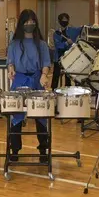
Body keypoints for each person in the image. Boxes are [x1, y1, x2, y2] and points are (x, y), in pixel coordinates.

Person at [7, 9, 51, 161]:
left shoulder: (42, 44)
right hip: (20, 80)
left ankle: (43, 150)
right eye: (26, 21)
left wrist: (44, 75)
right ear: (21, 24)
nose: (29, 24)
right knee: (16, 116)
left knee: (41, 116)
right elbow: (10, 62)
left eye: (32, 21)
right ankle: (14, 150)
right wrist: (11, 69)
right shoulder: (14, 44)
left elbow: (46, 63)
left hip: (37, 79)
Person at [51, 13, 81, 89]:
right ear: (59, 21)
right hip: (58, 58)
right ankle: (53, 91)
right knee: (56, 76)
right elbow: (58, 45)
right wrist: (66, 43)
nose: (64, 21)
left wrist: (93, 26)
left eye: (66, 20)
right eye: (63, 20)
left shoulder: (73, 30)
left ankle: (68, 91)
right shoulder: (56, 33)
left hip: (69, 57)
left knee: (68, 77)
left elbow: (82, 28)